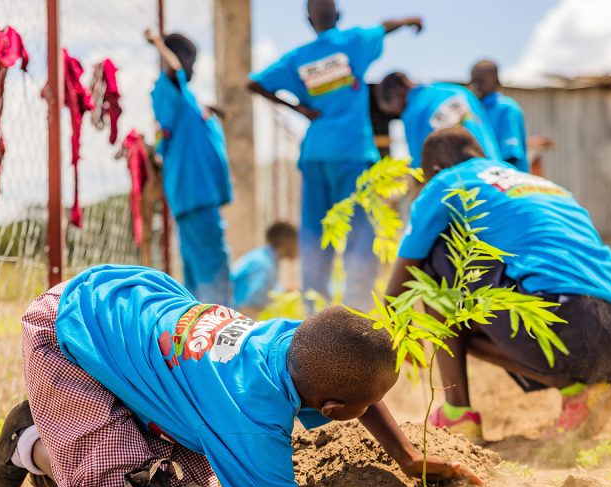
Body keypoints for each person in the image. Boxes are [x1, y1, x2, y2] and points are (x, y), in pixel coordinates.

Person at [0, 265, 481, 487]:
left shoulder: (295, 340)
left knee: (187, 462)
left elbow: (360, 378)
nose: (373, 408)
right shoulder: (251, 421)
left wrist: (406, 456)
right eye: (366, 406)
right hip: (68, 332)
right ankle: (34, 443)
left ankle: (70, 421)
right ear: (332, 410)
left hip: (127, 295)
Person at [384, 128, 611, 441]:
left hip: (570, 322)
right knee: (466, 316)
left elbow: (395, 292)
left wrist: (403, 337)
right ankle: (582, 392)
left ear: (435, 171)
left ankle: (457, 415)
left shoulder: (446, 182)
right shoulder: (542, 184)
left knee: (434, 259)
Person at [246, 0, 423, 311]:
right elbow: (385, 26)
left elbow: (254, 83)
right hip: (352, 153)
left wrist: (298, 108)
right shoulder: (352, 42)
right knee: (360, 236)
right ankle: (357, 314)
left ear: (308, 20)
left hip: (315, 154)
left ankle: (315, 318)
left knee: (316, 235)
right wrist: (410, 20)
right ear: (338, 15)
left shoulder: (299, 59)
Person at [146, 29, 232, 304]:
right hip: (196, 196)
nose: (192, 68)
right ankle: (226, 330)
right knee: (214, 270)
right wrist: (159, 43)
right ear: (179, 58)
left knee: (199, 273)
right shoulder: (169, 87)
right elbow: (173, 70)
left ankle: (203, 332)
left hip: (195, 198)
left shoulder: (183, 97)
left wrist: (210, 110)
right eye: (191, 60)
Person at [376, 71, 501, 169]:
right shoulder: (458, 91)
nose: (400, 113)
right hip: (500, 174)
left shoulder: (413, 113)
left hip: (467, 189)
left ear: (394, 94)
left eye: (395, 111)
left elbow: (421, 170)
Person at [470, 59, 529, 172]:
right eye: (473, 81)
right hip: (487, 178)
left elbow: (511, 155)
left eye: (482, 81)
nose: (476, 86)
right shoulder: (475, 111)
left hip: (508, 180)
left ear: (497, 82)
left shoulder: (506, 109)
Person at [230, 221, 298, 316]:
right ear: (287, 241)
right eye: (297, 240)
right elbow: (248, 307)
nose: (300, 246)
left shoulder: (266, 259)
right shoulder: (263, 265)